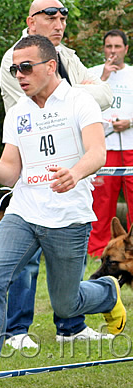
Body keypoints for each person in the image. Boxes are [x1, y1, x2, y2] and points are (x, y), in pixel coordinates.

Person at [0, 34, 126, 387]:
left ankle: (108, 293)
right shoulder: (18, 113)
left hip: (68, 218)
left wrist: (75, 172)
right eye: (14, 68)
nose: (19, 75)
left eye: (26, 67)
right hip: (23, 212)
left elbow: (98, 152)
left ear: (50, 66)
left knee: (67, 305)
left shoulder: (79, 102)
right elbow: (10, 171)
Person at [0, 0, 113, 350]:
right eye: (51, 16)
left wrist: (67, 90)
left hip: (71, 169)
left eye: (63, 16)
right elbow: (36, 100)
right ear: (31, 21)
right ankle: (16, 331)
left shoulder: (68, 55)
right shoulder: (15, 60)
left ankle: (71, 325)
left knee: (69, 262)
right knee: (23, 260)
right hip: (29, 168)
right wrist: (74, 90)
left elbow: (105, 96)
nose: (58, 22)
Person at [87, 30, 133, 257]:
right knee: (102, 204)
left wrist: (130, 122)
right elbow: (82, 102)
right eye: (108, 47)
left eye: (117, 46)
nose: (113, 51)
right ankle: (98, 251)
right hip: (103, 147)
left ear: (126, 48)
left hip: (131, 147)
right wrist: (103, 77)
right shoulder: (93, 73)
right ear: (103, 49)